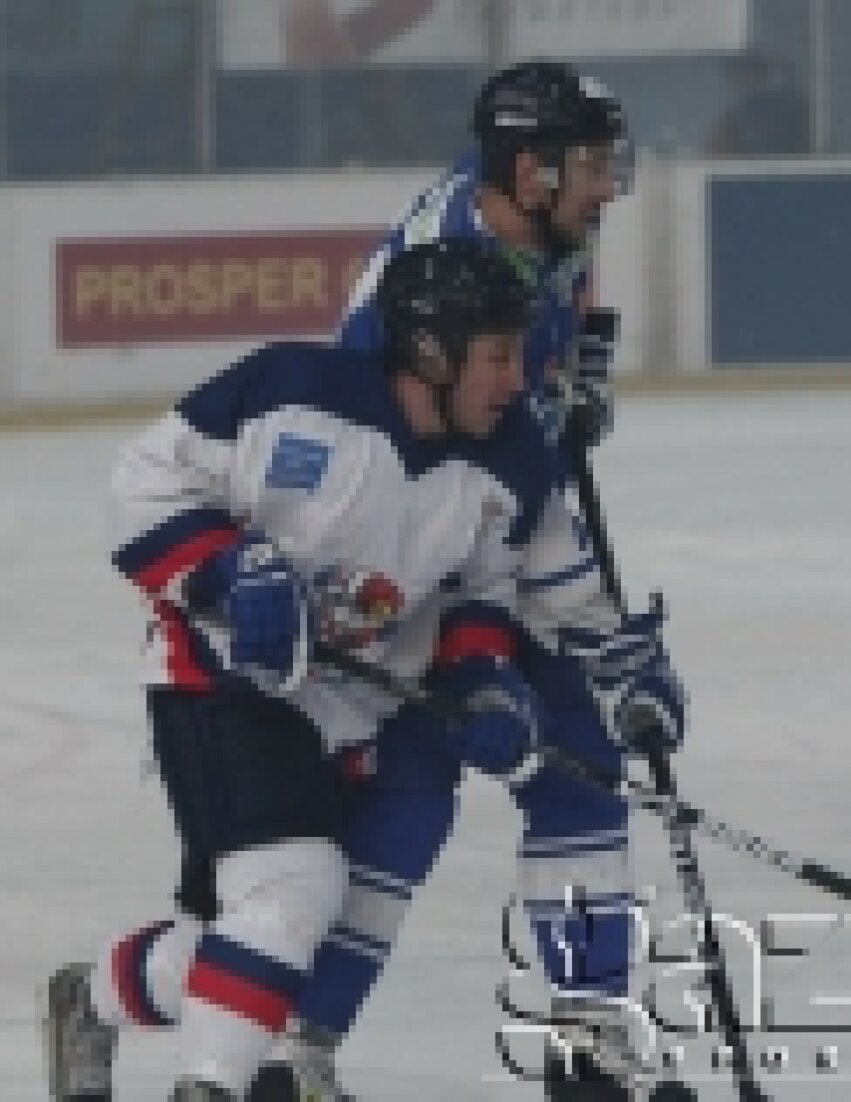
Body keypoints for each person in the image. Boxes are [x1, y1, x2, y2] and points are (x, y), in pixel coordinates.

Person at [40, 238, 661, 1101]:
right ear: (432, 351)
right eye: (495, 356)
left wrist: (484, 678)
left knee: (261, 932)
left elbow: (483, 591)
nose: (517, 379)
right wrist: (227, 569)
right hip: (220, 683)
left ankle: (95, 997)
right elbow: (142, 485)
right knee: (297, 888)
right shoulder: (294, 390)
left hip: (347, 706)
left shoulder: (509, 454)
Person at [246, 61, 691, 1102]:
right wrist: (575, 609)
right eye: (590, 165)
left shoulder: (538, 216)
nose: (609, 185)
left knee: (576, 752)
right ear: (530, 170)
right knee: (411, 785)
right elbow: (433, 476)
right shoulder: (445, 273)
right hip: (401, 547)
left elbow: (560, 318)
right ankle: (288, 1050)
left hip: (486, 511)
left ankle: (588, 1041)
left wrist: (573, 378)